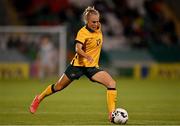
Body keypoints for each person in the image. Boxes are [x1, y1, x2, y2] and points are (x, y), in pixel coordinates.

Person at [29, 6, 117, 122]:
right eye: (93, 22)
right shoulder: (82, 32)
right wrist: (87, 56)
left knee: (111, 83)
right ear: (87, 21)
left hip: (92, 68)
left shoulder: (98, 27)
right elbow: (77, 49)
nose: (96, 24)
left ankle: (112, 114)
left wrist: (91, 59)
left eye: (97, 21)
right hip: (78, 66)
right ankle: (38, 98)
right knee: (58, 87)